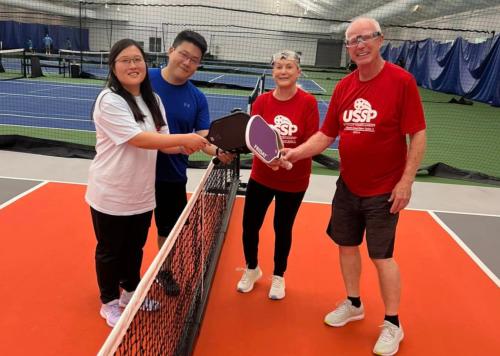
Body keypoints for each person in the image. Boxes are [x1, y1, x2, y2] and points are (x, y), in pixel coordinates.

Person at [283, 17, 426, 355]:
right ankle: (354, 303)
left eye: (366, 38)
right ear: (348, 48)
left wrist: (406, 181)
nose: (359, 45)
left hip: (384, 189)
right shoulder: (345, 86)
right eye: (352, 41)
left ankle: (393, 324)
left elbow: (417, 134)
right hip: (347, 185)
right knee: (346, 246)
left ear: (380, 40)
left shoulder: (402, 82)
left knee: (382, 256)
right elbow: (325, 134)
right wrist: (296, 152)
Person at [85, 38, 207, 327]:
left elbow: (163, 143)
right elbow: (140, 139)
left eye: (137, 59)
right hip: (111, 193)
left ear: (145, 63)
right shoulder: (109, 100)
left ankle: (129, 294)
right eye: (125, 60)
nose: (133, 65)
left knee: (134, 248)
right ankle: (109, 302)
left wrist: (198, 145)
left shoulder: (154, 100)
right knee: (110, 250)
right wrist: (184, 139)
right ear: (113, 67)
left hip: (141, 193)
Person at [148, 30, 233, 296]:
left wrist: (218, 151)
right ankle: (127, 284)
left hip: (171, 177)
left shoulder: (197, 98)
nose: (187, 62)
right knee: (130, 235)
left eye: (194, 60)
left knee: (168, 232)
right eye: (184, 54)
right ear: (170, 51)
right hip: (135, 174)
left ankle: (164, 271)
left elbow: (203, 137)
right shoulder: (143, 80)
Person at [236, 50, 319, 300]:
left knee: (283, 228)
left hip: (294, 180)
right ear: (273, 72)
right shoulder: (261, 102)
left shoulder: (308, 102)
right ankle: (252, 269)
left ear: (298, 71)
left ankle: (279, 276)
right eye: (279, 67)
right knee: (250, 225)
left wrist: (290, 156)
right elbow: (255, 138)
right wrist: (269, 160)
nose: (283, 71)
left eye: (289, 67)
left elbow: (313, 139)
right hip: (262, 176)